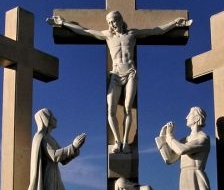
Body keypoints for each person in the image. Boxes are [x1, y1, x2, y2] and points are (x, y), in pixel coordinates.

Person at [48, 11, 191, 154]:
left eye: (113, 21)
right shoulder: (108, 35)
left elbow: (155, 31)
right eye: (109, 22)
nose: (111, 25)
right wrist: (63, 23)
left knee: (128, 108)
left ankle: (125, 142)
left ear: (120, 20)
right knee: (111, 110)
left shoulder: (132, 34)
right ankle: (117, 141)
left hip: (130, 73)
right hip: (115, 74)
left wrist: (173, 24)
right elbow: (85, 31)